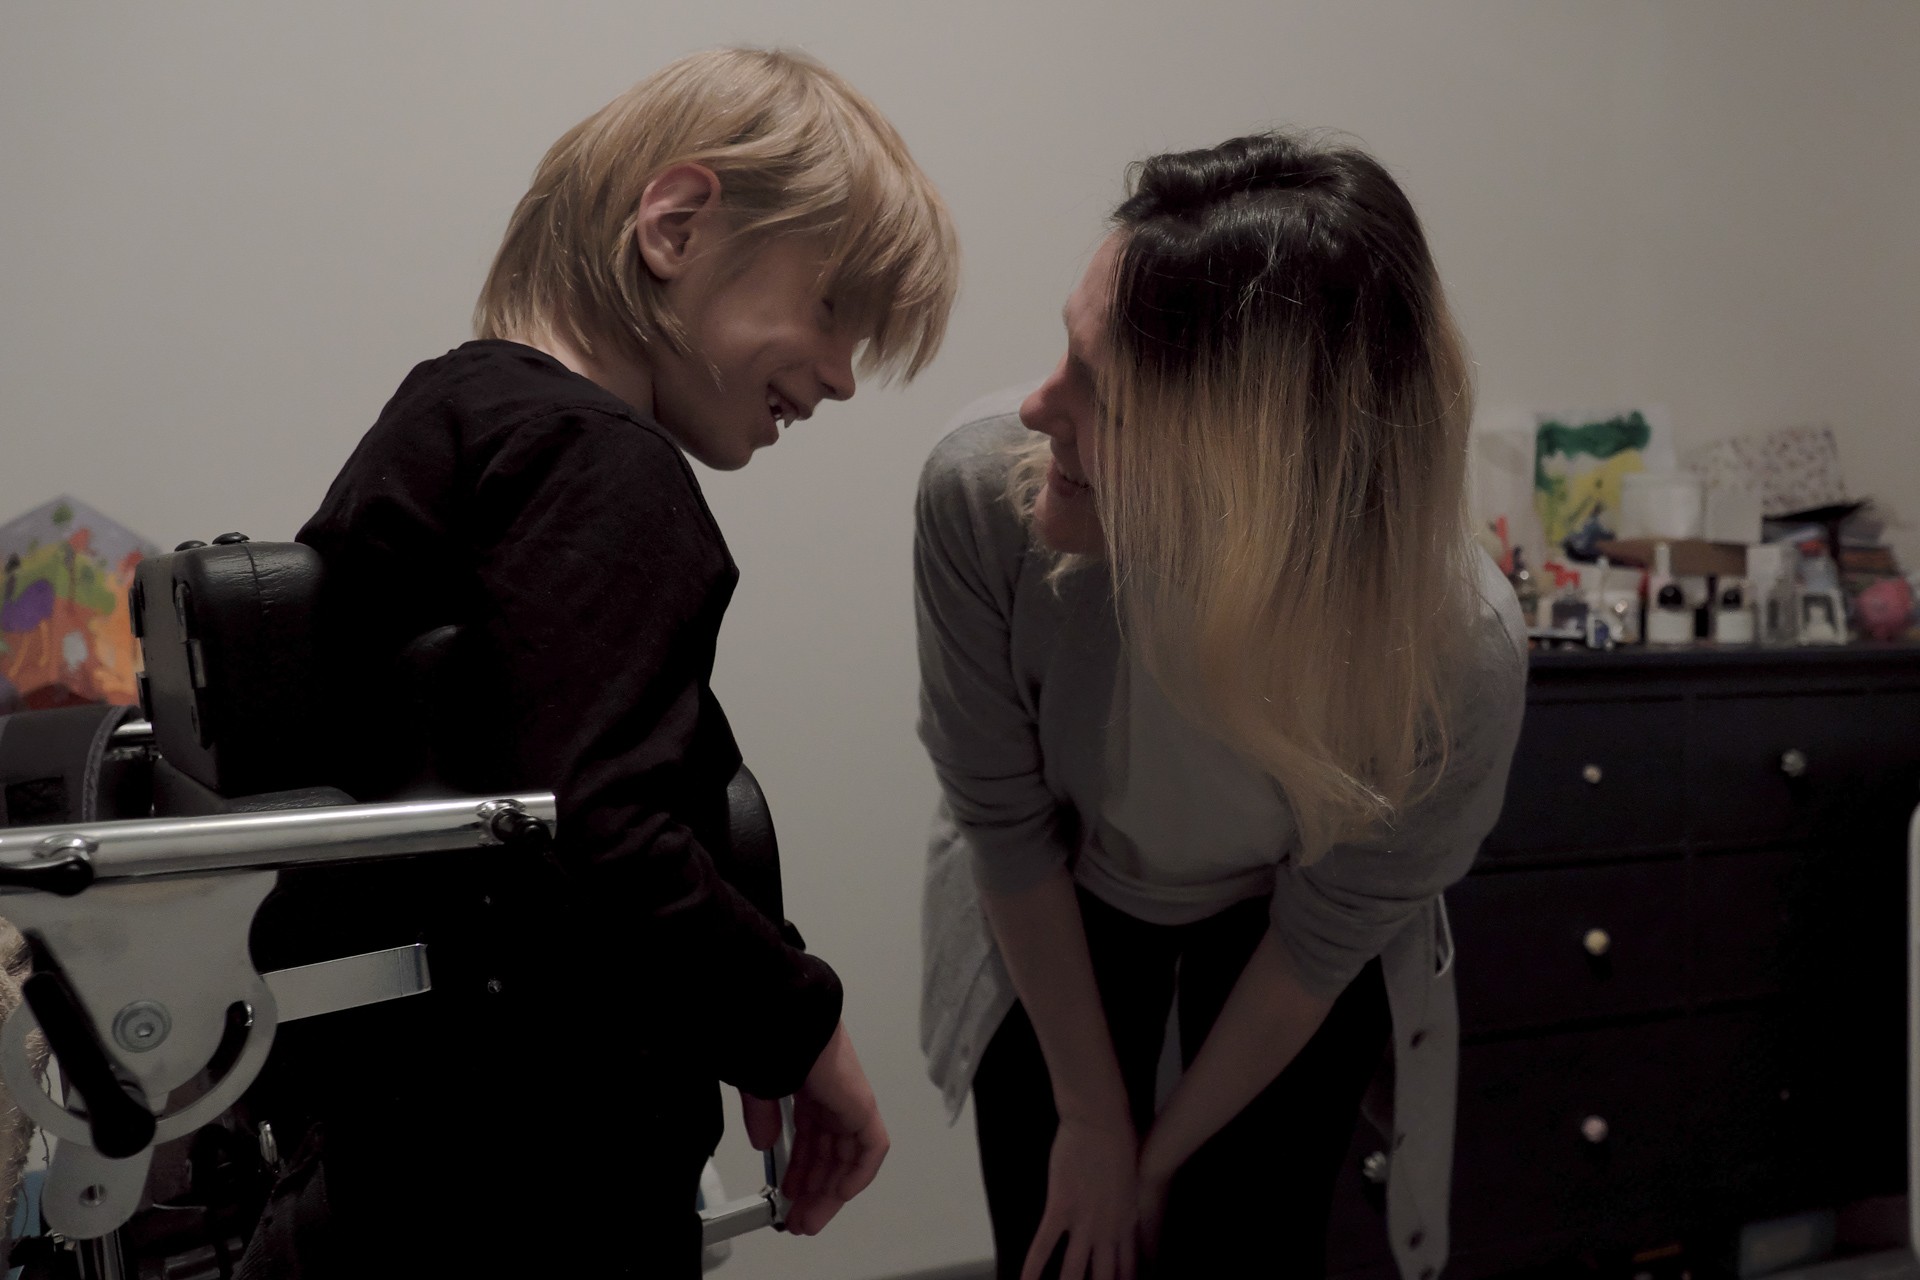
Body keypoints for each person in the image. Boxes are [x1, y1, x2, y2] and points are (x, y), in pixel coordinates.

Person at [243, 47, 958, 1278]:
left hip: (393, 1168)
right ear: (676, 226)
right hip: (536, 1187)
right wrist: (802, 1027)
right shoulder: (604, 465)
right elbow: (599, 827)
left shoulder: (449, 417)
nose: (843, 378)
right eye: (834, 309)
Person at [915, 132, 1525, 1279]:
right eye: (1068, 350)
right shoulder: (980, 496)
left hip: (1279, 940)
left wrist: (1157, 1163)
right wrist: (1094, 1122)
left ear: (1257, 469)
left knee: (1242, 1238)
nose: (1039, 406)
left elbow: (1319, 938)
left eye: (1104, 394)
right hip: (1059, 903)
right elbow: (1002, 820)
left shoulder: (1454, 655)